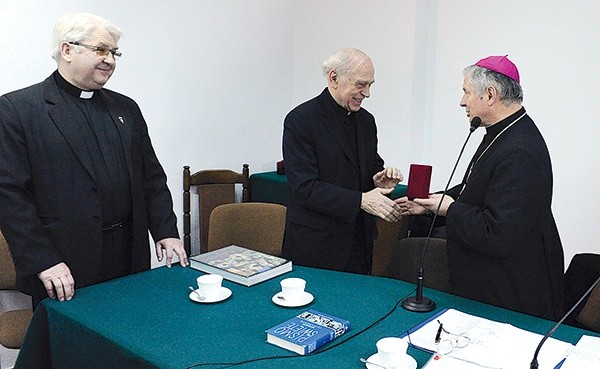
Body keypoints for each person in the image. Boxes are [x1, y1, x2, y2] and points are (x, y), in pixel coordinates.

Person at [0, 12, 188, 307]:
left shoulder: (126, 108)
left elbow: (151, 177)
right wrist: (43, 260)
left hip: (129, 256)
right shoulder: (17, 110)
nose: (110, 60)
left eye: (114, 52)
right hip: (65, 265)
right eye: (100, 49)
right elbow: (10, 197)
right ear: (67, 50)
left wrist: (165, 231)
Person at [396, 55, 564, 320]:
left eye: (466, 92)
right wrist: (432, 203)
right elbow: (476, 188)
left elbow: (497, 231)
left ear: (489, 94)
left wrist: (449, 209)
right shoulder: (504, 132)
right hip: (493, 279)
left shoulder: (520, 151)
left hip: (510, 291)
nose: (462, 101)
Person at [282, 48, 404, 275]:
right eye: (360, 84)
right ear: (334, 78)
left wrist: (379, 181)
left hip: (359, 244)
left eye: (370, 85)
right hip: (316, 246)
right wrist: (361, 199)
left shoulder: (367, 121)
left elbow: (369, 167)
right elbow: (304, 188)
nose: (367, 93)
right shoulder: (300, 120)